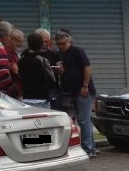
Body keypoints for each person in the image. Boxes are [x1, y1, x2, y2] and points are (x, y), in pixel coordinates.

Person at [55, 29, 97, 157]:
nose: (62, 46)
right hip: (70, 91)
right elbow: (65, 72)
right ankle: (91, 147)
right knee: (81, 120)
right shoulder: (61, 55)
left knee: (84, 121)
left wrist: (85, 86)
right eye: (59, 44)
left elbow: (87, 67)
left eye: (64, 43)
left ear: (70, 41)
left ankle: (87, 149)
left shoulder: (77, 51)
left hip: (82, 90)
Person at [18, 31, 59, 107]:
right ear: (40, 45)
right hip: (41, 98)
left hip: (26, 97)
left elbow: (19, 75)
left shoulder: (21, 60)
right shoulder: (43, 60)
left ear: (28, 44)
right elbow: (52, 79)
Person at [7, 28, 25, 99]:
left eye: (21, 42)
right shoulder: (8, 52)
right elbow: (16, 71)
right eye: (18, 41)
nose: (20, 44)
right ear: (10, 39)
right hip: (13, 92)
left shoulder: (14, 53)